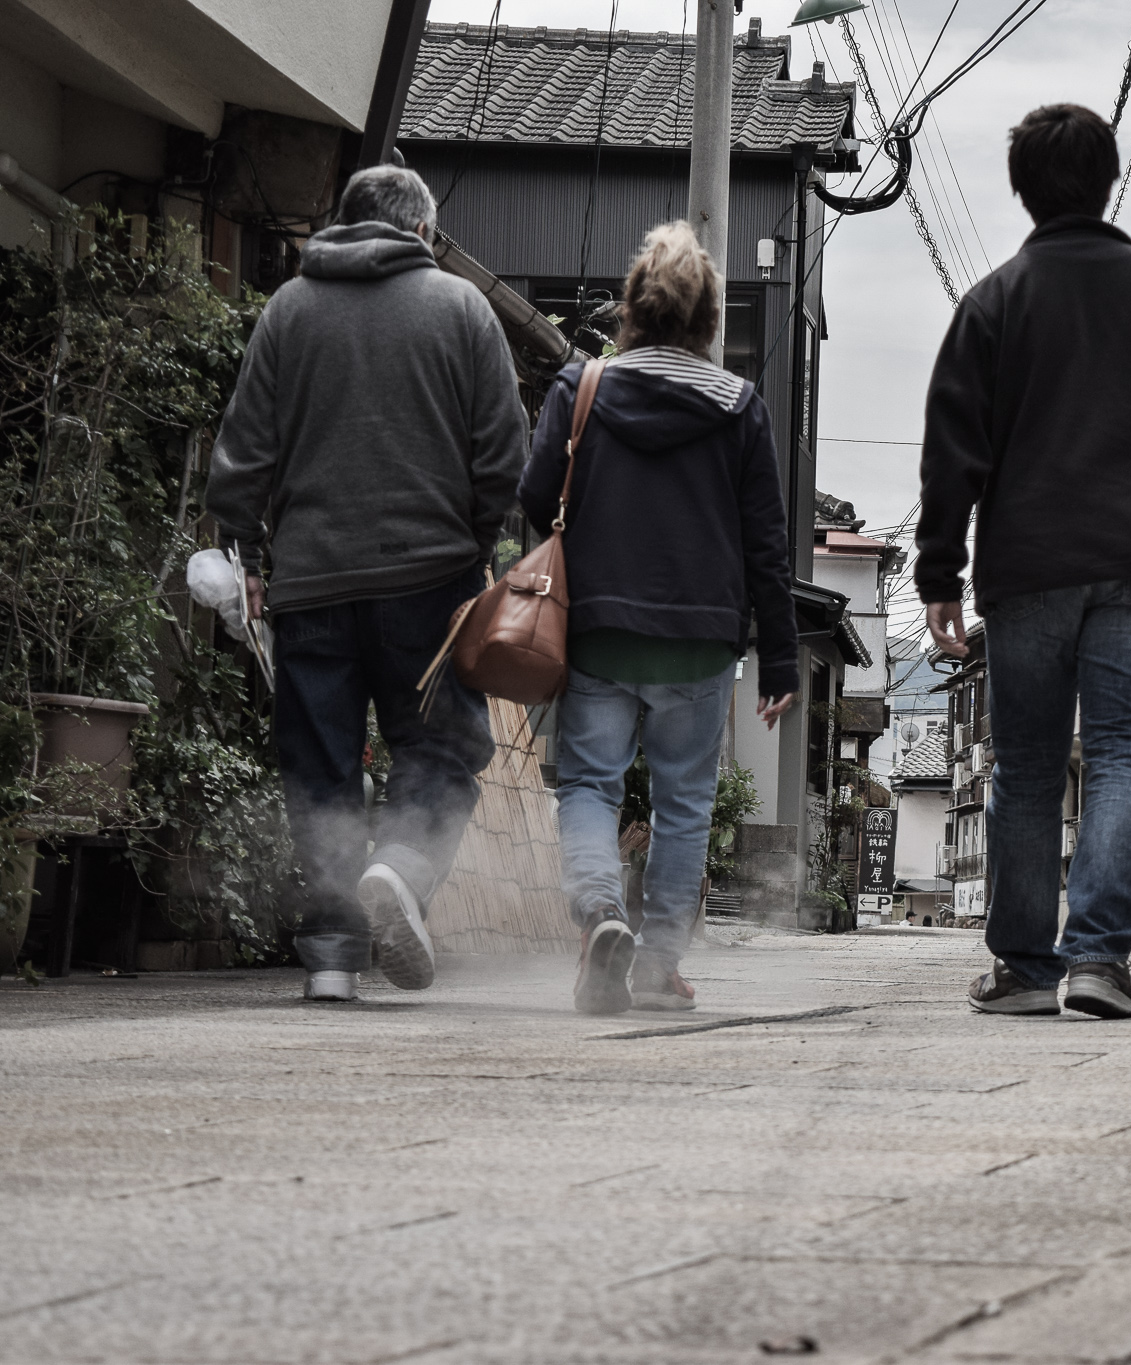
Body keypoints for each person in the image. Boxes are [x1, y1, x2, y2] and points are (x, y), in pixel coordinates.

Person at [917, 104, 1131, 1019]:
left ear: (1024, 190)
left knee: (1024, 763)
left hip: (1027, 567)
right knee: (1126, 753)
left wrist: (940, 571)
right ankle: (1098, 959)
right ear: (1109, 180)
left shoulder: (994, 303)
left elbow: (953, 449)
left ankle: (1022, 966)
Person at [207, 165, 528, 1003]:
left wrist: (241, 547)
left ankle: (331, 961)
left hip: (311, 581)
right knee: (442, 747)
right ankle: (400, 866)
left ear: (346, 226)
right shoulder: (463, 310)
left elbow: (242, 455)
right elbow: (506, 456)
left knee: (320, 767)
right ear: (420, 232)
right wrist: (482, 542)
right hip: (431, 581)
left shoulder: (288, 309)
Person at [518, 221, 799, 1015]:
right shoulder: (739, 405)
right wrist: (779, 660)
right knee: (684, 805)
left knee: (589, 786)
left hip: (600, 627)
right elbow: (766, 544)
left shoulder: (584, 386)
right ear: (710, 318)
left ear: (632, 309)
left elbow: (538, 497)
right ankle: (658, 967)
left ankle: (602, 916)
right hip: (701, 640)